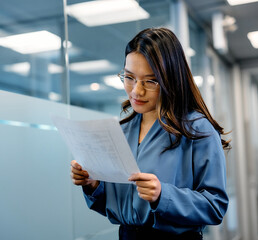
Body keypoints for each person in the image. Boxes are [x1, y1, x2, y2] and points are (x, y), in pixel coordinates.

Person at [70, 27, 230, 240]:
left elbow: (215, 206)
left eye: (150, 81)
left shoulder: (197, 129)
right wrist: (94, 185)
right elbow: (119, 205)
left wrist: (163, 195)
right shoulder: (122, 131)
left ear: (170, 80)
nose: (136, 91)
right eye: (129, 77)